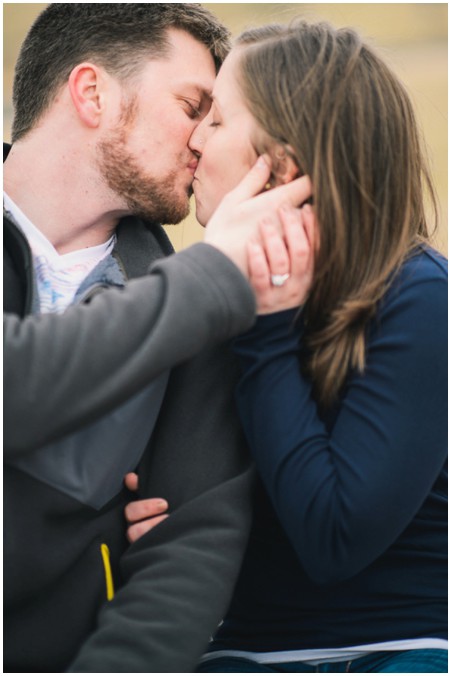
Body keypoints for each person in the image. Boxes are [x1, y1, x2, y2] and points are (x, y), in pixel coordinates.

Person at [129, 19, 449, 673]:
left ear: (285, 165)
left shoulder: (415, 294)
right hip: (229, 650)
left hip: (384, 649)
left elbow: (333, 538)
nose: (193, 137)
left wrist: (269, 330)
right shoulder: (212, 297)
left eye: (216, 121)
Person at [4, 5, 311, 671]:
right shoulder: (201, 289)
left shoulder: (200, 309)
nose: (206, 141)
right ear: (92, 93)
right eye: (192, 105)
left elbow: (191, 547)